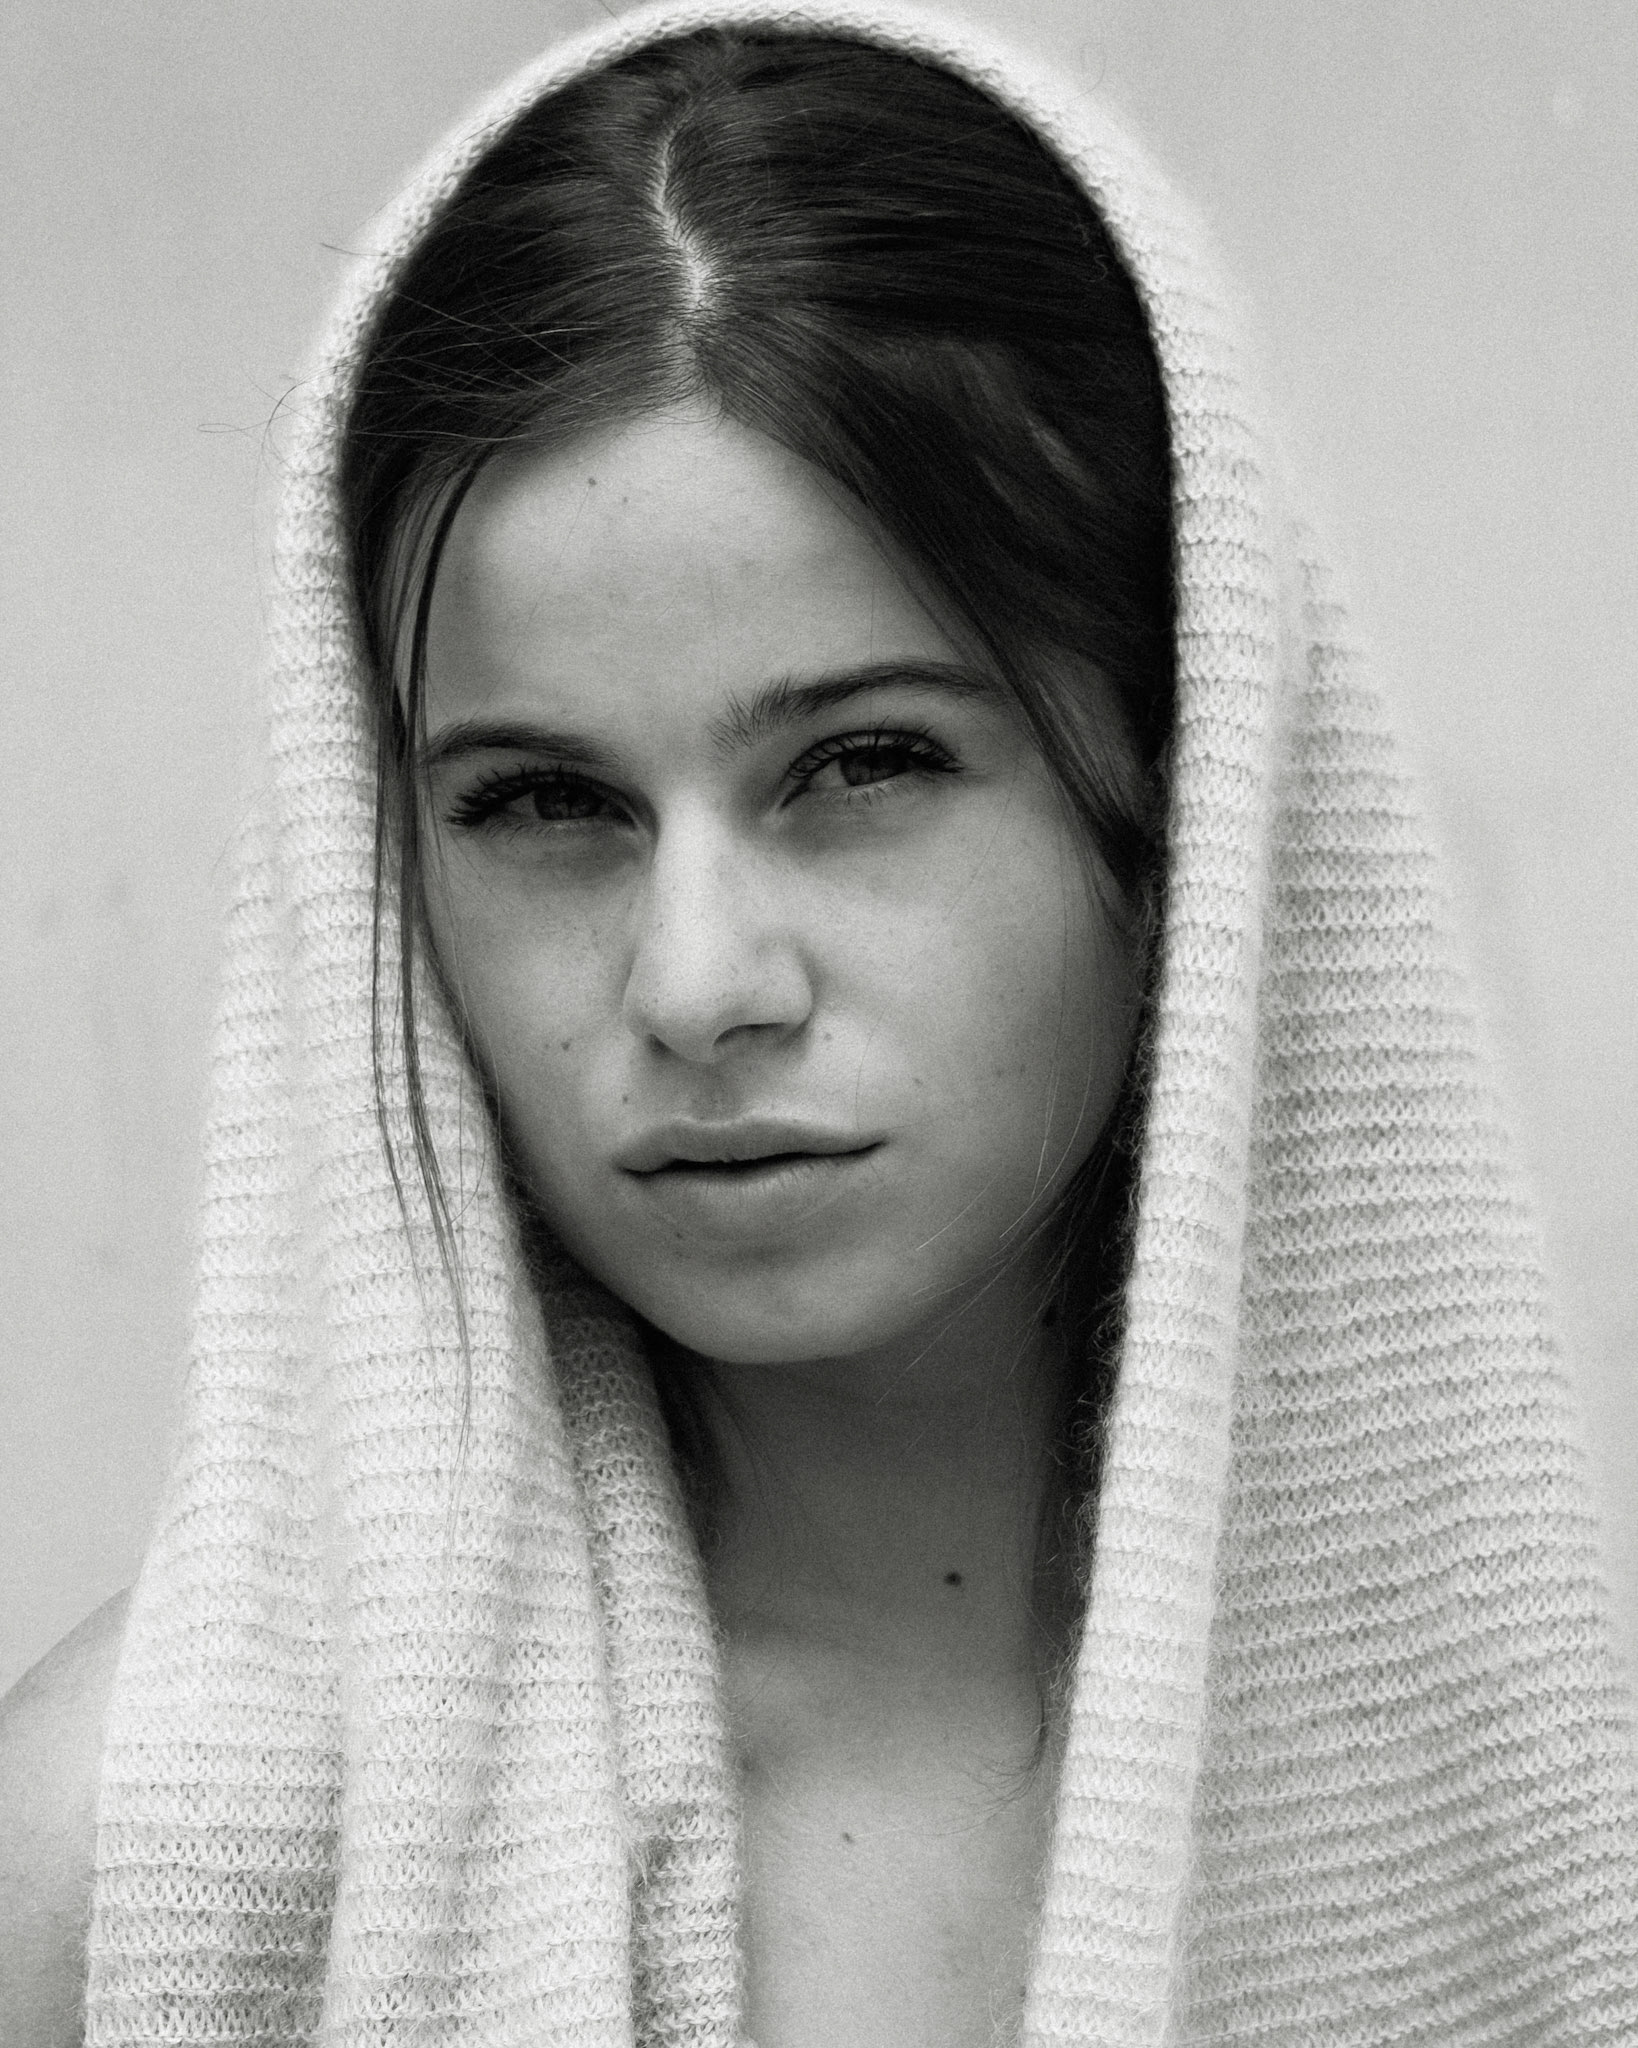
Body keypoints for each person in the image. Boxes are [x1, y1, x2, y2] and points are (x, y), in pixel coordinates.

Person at [4, 3, 1636, 2042]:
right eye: (542, 802)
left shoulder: (1564, 1846)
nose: (696, 985)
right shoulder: (127, 1877)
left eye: (863, 763)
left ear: (1186, 796)